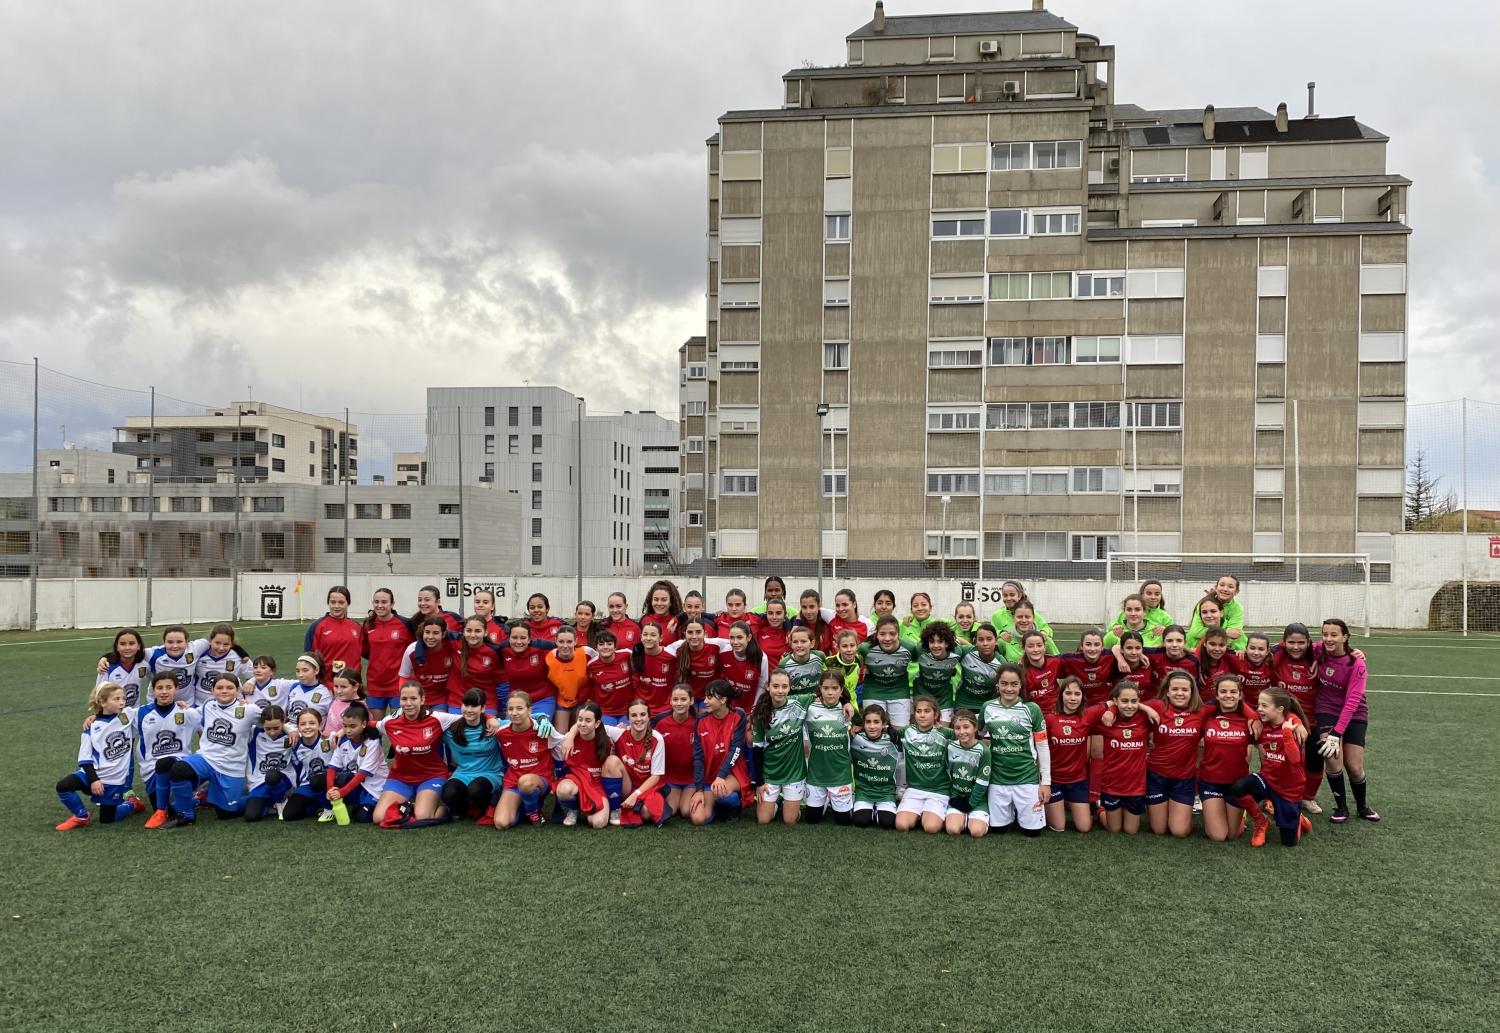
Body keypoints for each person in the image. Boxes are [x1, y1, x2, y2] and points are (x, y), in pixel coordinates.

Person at [162, 673, 263, 829]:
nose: (224, 691)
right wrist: (183, 707)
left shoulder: (249, 709)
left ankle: (260, 797)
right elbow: (195, 715)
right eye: (219, 687)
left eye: (229, 688)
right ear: (212, 690)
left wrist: (290, 729)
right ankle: (186, 815)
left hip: (231, 767)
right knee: (179, 769)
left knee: (226, 813)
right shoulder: (208, 704)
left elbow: (271, 719)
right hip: (206, 758)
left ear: (237, 690)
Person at [1312, 618, 1378, 823]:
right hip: (1326, 710)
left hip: (1355, 713)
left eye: (1334, 635)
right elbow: (1290, 643)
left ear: (1345, 637)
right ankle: (1341, 807)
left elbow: (1353, 701)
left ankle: (1362, 806)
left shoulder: (1356, 663)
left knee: (1354, 766)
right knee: (1332, 758)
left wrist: (1337, 732)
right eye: (1325, 634)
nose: (1328, 639)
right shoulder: (1318, 650)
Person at [373, 681, 465, 828]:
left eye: (413, 699)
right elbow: (367, 724)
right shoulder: (390, 722)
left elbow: (466, 717)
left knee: (422, 816)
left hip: (431, 776)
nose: (408, 703)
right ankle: (414, 803)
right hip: (400, 778)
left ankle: (445, 807)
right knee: (379, 817)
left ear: (422, 700)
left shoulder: (437, 718)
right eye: (404, 699)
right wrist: (341, 731)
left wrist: (491, 720)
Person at [55, 683, 144, 830]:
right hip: (92, 775)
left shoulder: (127, 715)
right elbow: (85, 759)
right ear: (103, 702)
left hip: (113, 780)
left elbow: (150, 710)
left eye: (123, 698)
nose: (122, 702)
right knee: (63, 786)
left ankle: (130, 804)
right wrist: (94, 780)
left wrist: (180, 705)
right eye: (116, 699)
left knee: (107, 819)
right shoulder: (91, 727)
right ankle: (81, 816)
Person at [1232, 686, 1313, 848]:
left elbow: (1295, 760)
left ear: (1280, 709)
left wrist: (1287, 733)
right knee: (1238, 787)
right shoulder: (1262, 723)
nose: (1259, 709)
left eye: (1264, 706)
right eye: (1259, 705)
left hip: (1290, 789)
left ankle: (1297, 818)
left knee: (1288, 843)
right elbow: (1245, 708)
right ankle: (1261, 821)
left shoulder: (1294, 728)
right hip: (1267, 780)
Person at [979, 665, 1051, 837]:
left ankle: (1020, 812)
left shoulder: (1032, 709)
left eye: (1014, 684)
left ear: (1021, 685)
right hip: (997, 778)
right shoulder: (987, 707)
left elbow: (1042, 746)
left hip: (1026, 777)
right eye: (1004, 683)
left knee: (1032, 832)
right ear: (997, 685)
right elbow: (980, 736)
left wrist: (1046, 782)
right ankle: (1009, 812)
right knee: (998, 830)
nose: (1009, 688)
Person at [135, 669, 203, 828]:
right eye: (159, 688)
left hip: (181, 765)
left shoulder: (187, 712)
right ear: (153, 689)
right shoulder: (140, 713)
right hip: (151, 769)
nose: (164, 692)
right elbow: (113, 718)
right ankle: (196, 799)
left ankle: (165, 808)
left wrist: (242, 703)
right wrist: (94, 716)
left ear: (176, 689)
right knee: (172, 811)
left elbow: (215, 717)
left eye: (168, 687)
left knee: (166, 764)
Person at [492, 691, 564, 829]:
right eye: (510, 709)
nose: (514, 713)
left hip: (539, 780)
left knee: (525, 782)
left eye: (520, 708)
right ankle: (525, 807)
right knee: (501, 823)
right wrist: (490, 718)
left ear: (529, 710)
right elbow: (477, 718)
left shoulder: (543, 729)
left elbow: (564, 745)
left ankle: (532, 811)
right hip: (513, 781)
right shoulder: (501, 732)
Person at [1198, 674, 1254, 843]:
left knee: (1233, 835)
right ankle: (1214, 810)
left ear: (1240, 694)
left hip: (1237, 783)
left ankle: (1241, 814)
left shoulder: (1251, 718)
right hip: (1210, 780)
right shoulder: (1207, 714)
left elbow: (1277, 720)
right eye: (1223, 691)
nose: (1228, 695)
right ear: (1216, 695)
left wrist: (1296, 722)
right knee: (1218, 836)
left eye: (1233, 692)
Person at [1089, 683, 1150, 834]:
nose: (1129, 705)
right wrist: (1111, 708)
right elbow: (1087, 715)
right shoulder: (1107, 720)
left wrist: (1145, 708)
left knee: (1131, 831)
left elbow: (1161, 711)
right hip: (1112, 785)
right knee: (1114, 829)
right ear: (1115, 700)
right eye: (1124, 701)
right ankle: (1100, 809)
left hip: (1136, 786)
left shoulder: (1144, 719)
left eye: (1134, 701)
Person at [750, 670, 809, 825]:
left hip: (794, 773)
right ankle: (777, 802)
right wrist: (759, 782)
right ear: (768, 686)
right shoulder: (759, 713)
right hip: (770, 773)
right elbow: (756, 751)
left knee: (790, 821)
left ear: (790, 688)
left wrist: (848, 703)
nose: (780, 691)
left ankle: (787, 803)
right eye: (776, 686)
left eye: (784, 686)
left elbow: (825, 695)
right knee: (763, 820)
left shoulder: (800, 703)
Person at [554, 702, 628, 828]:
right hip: (576, 780)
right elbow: (556, 755)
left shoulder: (607, 736)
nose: (582, 724)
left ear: (597, 723)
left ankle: (613, 808)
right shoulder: (568, 739)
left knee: (598, 823)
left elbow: (630, 732)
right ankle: (574, 809)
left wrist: (624, 727)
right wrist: (571, 735)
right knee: (563, 790)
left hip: (597, 784)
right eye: (580, 719)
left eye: (588, 720)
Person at [441, 688, 507, 826]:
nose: (469, 710)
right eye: (466, 705)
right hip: (463, 773)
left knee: (476, 790)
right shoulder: (451, 730)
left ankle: (490, 801)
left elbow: (521, 721)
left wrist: (542, 719)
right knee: (449, 793)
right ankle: (462, 809)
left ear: (483, 708)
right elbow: (429, 718)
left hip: (491, 774)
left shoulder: (494, 727)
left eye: (474, 705)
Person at [689, 680, 749, 825]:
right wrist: (699, 789)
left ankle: (733, 808)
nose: (704, 701)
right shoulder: (701, 720)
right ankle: (717, 806)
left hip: (732, 772)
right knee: (698, 819)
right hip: (709, 776)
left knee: (721, 792)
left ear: (723, 700)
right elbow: (698, 757)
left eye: (709, 697)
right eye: (705, 697)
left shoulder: (738, 716)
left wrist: (721, 776)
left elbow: (736, 749)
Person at [802, 671, 856, 826]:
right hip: (816, 774)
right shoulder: (810, 709)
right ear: (820, 688)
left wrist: (847, 703)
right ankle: (825, 799)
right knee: (812, 819)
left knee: (844, 821)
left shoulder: (848, 711)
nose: (830, 692)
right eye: (826, 688)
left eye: (834, 688)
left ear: (841, 689)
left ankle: (851, 798)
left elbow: (867, 724)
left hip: (839, 774)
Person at [608, 700, 670, 827]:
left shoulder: (657, 738)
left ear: (649, 717)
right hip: (627, 786)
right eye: (634, 715)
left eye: (642, 714)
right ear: (628, 718)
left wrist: (636, 795)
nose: (638, 719)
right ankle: (615, 809)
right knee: (611, 761)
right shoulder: (620, 732)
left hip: (647, 787)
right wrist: (570, 737)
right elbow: (592, 725)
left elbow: (656, 776)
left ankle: (633, 804)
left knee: (647, 813)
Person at [324, 702, 388, 824]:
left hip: (374, 786)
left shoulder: (372, 742)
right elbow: (332, 767)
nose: (347, 730)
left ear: (364, 724)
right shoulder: (342, 740)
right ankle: (347, 803)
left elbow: (362, 774)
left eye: (352, 726)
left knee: (362, 817)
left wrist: (341, 792)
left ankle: (372, 803)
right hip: (356, 783)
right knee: (341, 777)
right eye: (345, 726)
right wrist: (330, 790)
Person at [1044, 678, 1094, 834]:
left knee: (1084, 827)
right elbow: (1040, 749)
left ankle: (1094, 810)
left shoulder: (1087, 716)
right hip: (1055, 780)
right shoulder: (1050, 719)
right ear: (1061, 695)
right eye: (1068, 693)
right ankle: (1044, 806)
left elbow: (1112, 703)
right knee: (1059, 827)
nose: (1073, 698)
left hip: (1078, 780)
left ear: (1082, 697)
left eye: (1077, 694)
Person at [896, 696, 951, 834]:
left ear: (936, 714)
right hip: (914, 789)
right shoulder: (906, 732)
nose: (922, 715)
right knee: (902, 825)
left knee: (931, 828)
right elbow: (883, 731)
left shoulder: (945, 733)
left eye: (927, 711)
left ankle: (932, 815)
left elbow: (968, 736)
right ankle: (919, 813)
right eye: (919, 711)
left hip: (939, 790)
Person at [856, 616, 918, 732]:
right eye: (882, 634)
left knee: (901, 732)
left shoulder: (909, 648)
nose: (887, 638)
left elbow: (926, 658)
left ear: (898, 634)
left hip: (899, 692)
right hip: (873, 691)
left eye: (892, 634)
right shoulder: (865, 649)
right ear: (877, 634)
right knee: (874, 730)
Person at [362, 588, 414, 720]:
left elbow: (413, 651)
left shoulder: (405, 624)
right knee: (375, 730)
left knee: (399, 729)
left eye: (384, 602)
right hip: (375, 686)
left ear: (392, 604)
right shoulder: (368, 625)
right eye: (376, 602)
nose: (380, 605)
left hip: (399, 686)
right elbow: (366, 651)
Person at [281, 709, 338, 822]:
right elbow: (297, 768)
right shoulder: (296, 745)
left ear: (320, 724)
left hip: (331, 781)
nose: (307, 727)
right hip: (308, 784)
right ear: (297, 727)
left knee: (317, 780)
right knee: (289, 815)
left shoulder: (329, 739)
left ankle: (329, 809)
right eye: (302, 724)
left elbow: (346, 732)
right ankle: (317, 805)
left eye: (312, 723)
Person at [849, 705, 900, 829]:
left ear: (884, 724)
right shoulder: (856, 738)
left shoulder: (892, 739)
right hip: (864, 792)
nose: (872, 726)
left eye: (876, 722)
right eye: (868, 722)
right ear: (863, 724)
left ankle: (881, 810)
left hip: (886, 793)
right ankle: (865, 807)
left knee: (887, 823)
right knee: (861, 821)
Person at [653, 685, 699, 819]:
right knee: (671, 811)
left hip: (691, 778)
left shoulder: (697, 723)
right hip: (670, 778)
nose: (679, 703)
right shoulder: (661, 724)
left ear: (691, 701)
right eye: (676, 699)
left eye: (683, 699)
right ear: (670, 701)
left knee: (686, 811)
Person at [243, 706, 295, 823]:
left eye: (276, 728)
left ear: (283, 722)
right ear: (262, 724)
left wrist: (289, 729)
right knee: (251, 816)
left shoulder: (292, 734)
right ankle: (270, 805)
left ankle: (281, 801)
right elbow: (240, 722)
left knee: (272, 775)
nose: (272, 732)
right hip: (259, 781)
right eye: (268, 729)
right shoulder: (254, 732)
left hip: (283, 777)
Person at [943, 710, 991, 837]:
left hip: (977, 800)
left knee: (976, 832)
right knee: (953, 830)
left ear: (975, 727)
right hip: (957, 797)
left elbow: (982, 783)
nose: (962, 732)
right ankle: (962, 820)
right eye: (957, 728)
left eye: (966, 727)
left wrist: (970, 805)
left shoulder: (983, 751)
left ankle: (971, 818)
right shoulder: (950, 746)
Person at [305, 586, 363, 686]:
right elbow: (308, 659)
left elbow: (369, 652)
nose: (336, 606)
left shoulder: (357, 627)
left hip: (352, 686)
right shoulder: (317, 627)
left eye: (341, 602)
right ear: (328, 603)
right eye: (333, 602)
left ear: (348, 603)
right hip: (326, 686)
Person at [497, 623, 558, 719]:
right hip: (516, 700)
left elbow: (565, 648)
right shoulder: (503, 649)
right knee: (511, 730)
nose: (518, 641)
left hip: (542, 699)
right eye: (514, 637)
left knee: (539, 729)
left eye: (523, 638)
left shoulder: (543, 647)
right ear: (508, 638)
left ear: (529, 639)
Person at [399, 615, 459, 712]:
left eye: (435, 633)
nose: (430, 637)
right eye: (427, 632)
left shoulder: (452, 647)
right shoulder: (412, 650)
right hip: (417, 698)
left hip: (441, 699)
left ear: (443, 634)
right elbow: (404, 677)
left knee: (436, 722)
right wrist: (405, 699)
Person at [912, 621, 965, 723]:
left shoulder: (957, 652)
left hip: (944, 697)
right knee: (920, 731)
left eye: (940, 641)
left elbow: (969, 648)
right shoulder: (920, 650)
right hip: (922, 694)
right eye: (932, 642)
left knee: (943, 732)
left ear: (947, 643)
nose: (936, 645)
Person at [664, 618, 723, 703]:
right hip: (688, 697)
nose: (694, 636)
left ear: (705, 634)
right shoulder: (677, 647)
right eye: (690, 632)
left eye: (698, 632)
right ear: (685, 634)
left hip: (710, 696)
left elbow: (737, 644)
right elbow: (659, 652)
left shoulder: (716, 644)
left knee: (703, 715)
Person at [586, 629, 637, 726]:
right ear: (596, 648)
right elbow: (589, 687)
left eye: (609, 644)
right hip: (606, 712)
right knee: (609, 738)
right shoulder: (591, 666)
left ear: (615, 647)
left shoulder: (626, 655)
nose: (605, 647)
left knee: (626, 736)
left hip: (628, 709)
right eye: (601, 644)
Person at [545, 625, 589, 733]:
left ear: (575, 641)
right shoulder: (549, 658)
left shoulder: (587, 653)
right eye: (561, 641)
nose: (565, 646)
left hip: (583, 701)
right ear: (555, 641)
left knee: (581, 733)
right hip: (563, 702)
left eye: (569, 642)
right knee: (561, 736)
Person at [712, 622, 768, 705]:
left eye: (739, 637)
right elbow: (702, 639)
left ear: (748, 637)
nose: (735, 642)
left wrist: (755, 707)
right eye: (732, 637)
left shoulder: (761, 658)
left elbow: (762, 685)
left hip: (751, 706)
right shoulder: (723, 649)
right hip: (728, 705)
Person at [953, 624, 1003, 714]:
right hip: (963, 704)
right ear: (975, 641)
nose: (985, 643)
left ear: (996, 641)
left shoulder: (1001, 663)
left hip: (988, 706)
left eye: (989, 639)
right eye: (980, 639)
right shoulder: (966, 652)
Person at [630, 622, 677, 715]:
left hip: (666, 708)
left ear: (661, 638)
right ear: (641, 637)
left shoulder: (672, 656)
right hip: (642, 709)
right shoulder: (635, 654)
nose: (648, 638)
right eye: (645, 634)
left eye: (653, 635)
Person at [1189, 575, 1244, 650]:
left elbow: (1234, 635)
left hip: (1223, 647)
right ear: (1216, 587)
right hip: (1198, 645)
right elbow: (1196, 632)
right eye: (1222, 585)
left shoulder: (1238, 608)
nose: (1225, 589)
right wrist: (1225, 633)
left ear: (1236, 591)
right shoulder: (1204, 604)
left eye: (1230, 587)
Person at [95, 628, 147, 708]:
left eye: (131, 643)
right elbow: (99, 694)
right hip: (113, 714)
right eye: (122, 644)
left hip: (134, 714)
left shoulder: (144, 663)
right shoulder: (107, 667)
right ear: (117, 647)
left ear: (139, 646)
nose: (127, 647)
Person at [1014, 630, 1063, 712]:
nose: (1035, 649)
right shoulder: (1020, 672)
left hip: (1059, 711)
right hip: (1036, 715)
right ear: (1023, 648)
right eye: (1030, 646)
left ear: (1045, 646)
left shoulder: (1055, 662)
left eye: (1039, 645)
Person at [285, 654, 333, 723]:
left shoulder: (326, 692)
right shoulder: (294, 687)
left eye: (305, 670)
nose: (300, 675)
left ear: (316, 670)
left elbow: (331, 718)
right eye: (298, 671)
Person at [323, 668, 365, 738]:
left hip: (343, 747)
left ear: (355, 687)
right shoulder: (337, 699)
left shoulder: (359, 707)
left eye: (343, 687)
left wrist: (343, 731)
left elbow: (361, 730)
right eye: (336, 686)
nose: (338, 691)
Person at [640, 580, 683, 645]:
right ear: (651, 601)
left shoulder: (677, 622)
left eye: (664, 600)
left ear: (670, 602)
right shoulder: (644, 620)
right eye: (656, 599)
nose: (659, 603)